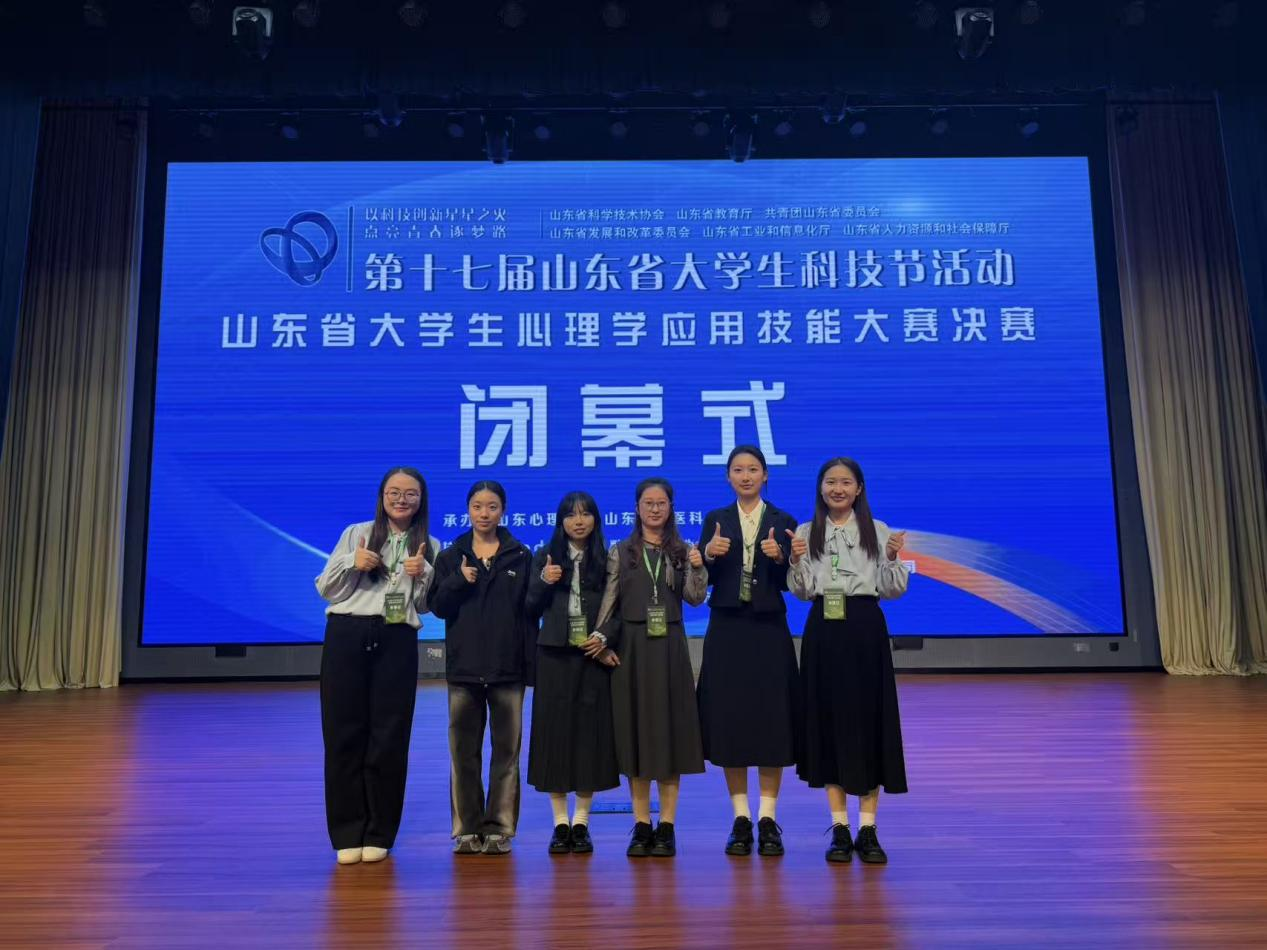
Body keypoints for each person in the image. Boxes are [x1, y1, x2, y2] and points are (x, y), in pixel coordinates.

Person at [787, 457, 910, 865]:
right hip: (824, 628)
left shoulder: (878, 530)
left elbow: (893, 590)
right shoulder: (806, 532)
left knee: (868, 721)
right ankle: (839, 828)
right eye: (830, 482)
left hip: (864, 626)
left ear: (859, 488)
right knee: (830, 722)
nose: (837, 489)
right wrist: (795, 560)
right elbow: (802, 591)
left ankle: (868, 829)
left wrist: (890, 557)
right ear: (820, 488)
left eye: (845, 482)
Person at [314, 466, 437, 866]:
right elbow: (325, 589)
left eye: (411, 493)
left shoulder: (430, 543)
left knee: (390, 736)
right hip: (347, 634)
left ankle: (380, 831)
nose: (402, 499)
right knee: (343, 733)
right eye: (394, 492)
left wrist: (425, 574)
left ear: (421, 500)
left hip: (397, 639)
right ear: (382, 496)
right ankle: (346, 831)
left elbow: (425, 606)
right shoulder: (356, 533)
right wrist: (353, 562)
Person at [594, 477, 707, 858]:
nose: (655, 509)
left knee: (670, 735)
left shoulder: (682, 550)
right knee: (636, 735)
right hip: (632, 647)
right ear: (637, 508)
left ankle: (668, 826)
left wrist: (697, 568)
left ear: (671, 507)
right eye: (648, 503)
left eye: (661, 503)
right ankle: (642, 824)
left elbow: (695, 598)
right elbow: (609, 601)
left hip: (670, 646)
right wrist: (600, 642)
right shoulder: (621, 551)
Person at [696, 445, 801, 857]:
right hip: (727, 627)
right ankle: (740, 817)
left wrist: (781, 560)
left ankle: (768, 817)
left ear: (765, 475)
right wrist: (708, 554)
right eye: (738, 470)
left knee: (772, 718)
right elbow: (703, 578)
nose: (745, 476)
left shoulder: (784, 521)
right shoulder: (716, 519)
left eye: (753, 469)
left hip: (769, 628)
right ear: (728, 477)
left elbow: (794, 582)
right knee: (731, 719)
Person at [429, 480, 533, 856]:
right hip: (464, 669)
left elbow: (528, 614)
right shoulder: (450, 555)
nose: (484, 514)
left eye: (492, 506)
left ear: (503, 510)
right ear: (468, 510)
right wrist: (459, 580)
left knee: (506, 752)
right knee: (463, 753)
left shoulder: (520, 555)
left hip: (508, 669)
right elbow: (437, 606)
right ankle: (467, 828)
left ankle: (500, 828)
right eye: (477, 506)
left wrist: (529, 666)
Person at [524, 492, 621, 855]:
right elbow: (528, 606)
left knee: (589, 736)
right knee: (554, 736)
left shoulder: (606, 559)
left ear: (595, 519)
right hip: (553, 655)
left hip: (591, 655)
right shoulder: (544, 557)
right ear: (560, 521)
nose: (578, 521)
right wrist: (544, 580)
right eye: (570, 515)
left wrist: (605, 637)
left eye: (585, 514)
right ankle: (559, 823)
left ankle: (581, 822)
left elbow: (618, 608)